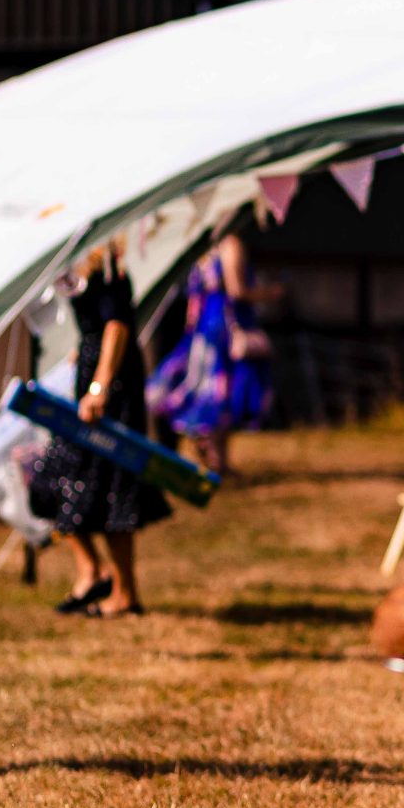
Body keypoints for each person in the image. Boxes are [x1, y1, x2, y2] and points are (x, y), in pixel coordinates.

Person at [27, 239, 170, 618]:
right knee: (60, 481)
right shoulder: (80, 269)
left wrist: (100, 385)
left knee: (107, 486)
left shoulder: (109, 271)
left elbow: (117, 327)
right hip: (93, 375)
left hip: (110, 388)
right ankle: (96, 574)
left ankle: (123, 592)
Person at [150, 226, 274, 473]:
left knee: (205, 389)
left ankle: (211, 450)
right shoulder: (231, 244)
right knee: (222, 393)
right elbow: (237, 290)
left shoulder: (202, 248)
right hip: (224, 326)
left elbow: (194, 298)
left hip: (203, 327)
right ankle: (217, 458)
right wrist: (270, 293)